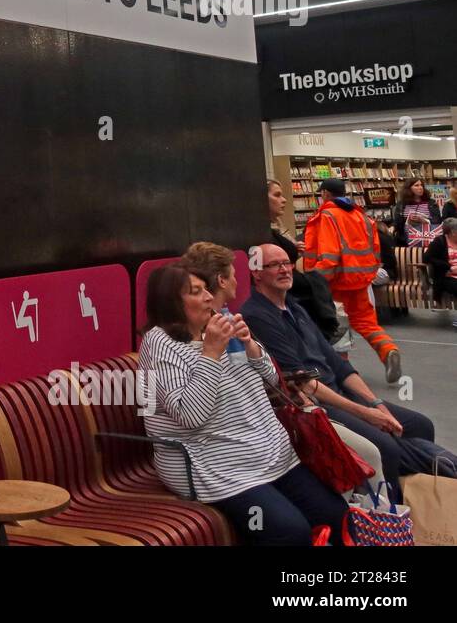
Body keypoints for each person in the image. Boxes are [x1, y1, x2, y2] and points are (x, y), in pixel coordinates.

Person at [139, 264, 347, 545]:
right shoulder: (160, 343)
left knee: (337, 515)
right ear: (172, 303)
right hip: (214, 466)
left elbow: (274, 379)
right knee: (289, 531)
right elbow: (190, 415)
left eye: (206, 290)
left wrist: (250, 346)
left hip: (268, 453)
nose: (209, 298)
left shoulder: (220, 326)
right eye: (196, 292)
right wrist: (211, 352)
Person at [244, 243, 456, 499]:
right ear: (256, 273)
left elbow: (337, 363)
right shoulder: (257, 316)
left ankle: (421, 488)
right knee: (386, 446)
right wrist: (366, 413)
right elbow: (301, 382)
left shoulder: (295, 307)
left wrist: (375, 402)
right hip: (318, 404)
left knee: (419, 425)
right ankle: (392, 512)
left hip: (340, 391)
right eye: (274, 265)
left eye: (287, 263)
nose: (285, 269)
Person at [304, 178, 401, 383]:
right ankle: (388, 349)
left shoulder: (328, 215)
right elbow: (375, 250)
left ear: (326, 194)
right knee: (366, 322)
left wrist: (315, 280)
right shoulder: (361, 216)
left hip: (335, 282)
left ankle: (343, 371)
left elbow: (330, 254)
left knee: (337, 325)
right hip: (360, 280)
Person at [267, 181, 345, 339]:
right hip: (290, 289)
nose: (284, 200)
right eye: (277, 195)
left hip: (303, 282)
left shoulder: (325, 215)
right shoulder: (349, 213)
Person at [424, 218, 457, 327]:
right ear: (453, 232)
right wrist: (448, 267)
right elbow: (427, 258)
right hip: (446, 276)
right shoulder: (440, 242)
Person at [393, 177, 442, 248]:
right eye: (416, 185)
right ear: (409, 189)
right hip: (405, 239)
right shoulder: (401, 204)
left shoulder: (431, 203)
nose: (420, 187)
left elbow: (438, 221)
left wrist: (424, 220)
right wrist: (393, 226)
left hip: (427, 237)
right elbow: (397, 223)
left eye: (421, 185)